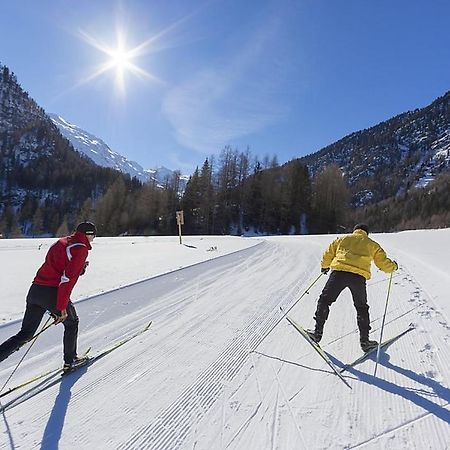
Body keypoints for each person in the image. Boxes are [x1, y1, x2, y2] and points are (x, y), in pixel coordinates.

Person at [0, 221, 97, 371]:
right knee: (72, 323)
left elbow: (57, 266)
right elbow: (67, 279)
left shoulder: (62, 242)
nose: (93, 240)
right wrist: (61, 307)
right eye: (93, 237)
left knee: (25, 334)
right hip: (52, 292)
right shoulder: (81, 248)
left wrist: (79, 268)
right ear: (89, 235)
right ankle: (70, 361)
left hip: (35, 290)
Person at [307, 223, 398, 352]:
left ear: (354, 231)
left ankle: (317, 333)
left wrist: (325, 265)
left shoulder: (343, 239)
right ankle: (365, 341)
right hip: (358, 278)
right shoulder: (372, 244)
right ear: (366, 233)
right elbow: (383, 264)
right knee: (361, 307)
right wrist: (393, 266)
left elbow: (329, 253)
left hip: (339, 273)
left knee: (325, 300)